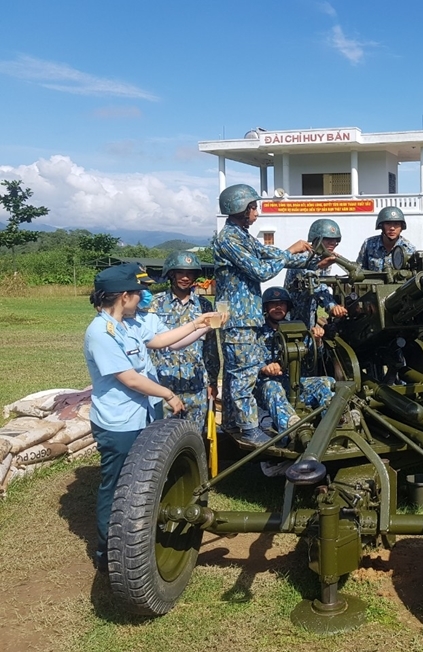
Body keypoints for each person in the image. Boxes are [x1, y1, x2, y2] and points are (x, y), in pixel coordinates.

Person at [85, 264, 221, 571]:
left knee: (142, 481)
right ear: (123, 296)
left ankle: (140, 538)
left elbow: (163, 340)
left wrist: (199, 323)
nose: (142, 297)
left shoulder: (128, 324)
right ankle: (107, 551)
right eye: (137, 293)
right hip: (119, 423)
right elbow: (130, 379)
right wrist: (168, 394)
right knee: (118, 485)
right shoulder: (100, 332)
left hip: (143, 415)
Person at [213, 183, 312, 446]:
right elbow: (260, 270)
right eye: (253, 207)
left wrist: (309, 260)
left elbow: (268, 253)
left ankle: (234, 423)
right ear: (238, 208)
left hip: (246, 319)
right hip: (238, 320)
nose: (257, 212)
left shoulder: (242, 236)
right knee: (243, 375)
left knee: (238, 374)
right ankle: (248, 428)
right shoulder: (228, 239)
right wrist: (290, 252)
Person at [149, 252, 220, 429]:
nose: (185, 278)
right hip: (164, 384)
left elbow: (210, 348)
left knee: (195, 438)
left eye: (190, 273)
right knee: (161, 441)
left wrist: (212, 381)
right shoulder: (155, 304)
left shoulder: (204, 306)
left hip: (195, 385)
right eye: (180, 272)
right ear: (171, 274)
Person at [256, 287, 334, 439]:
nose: (278, 307)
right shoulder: (257, 333)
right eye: (273, 304)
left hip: (296, 384)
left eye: (282, 304)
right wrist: (264, 368)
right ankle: (294, 429)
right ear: (266, 308)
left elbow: (313, 356)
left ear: (288, 307)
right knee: (271, 387)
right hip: (269, 387)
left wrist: (317, 340)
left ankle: (332, 424)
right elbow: (248, 361)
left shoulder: (298, 329)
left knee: (326, 382)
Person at [283, 218, 348, 330]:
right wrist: (331, 306)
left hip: (310, 318)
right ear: (317, 240)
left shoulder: (323, 258)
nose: (333, 244)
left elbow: (321, 285)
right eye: (328, 240)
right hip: (292, 318)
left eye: (335, 241)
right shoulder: (303, 257)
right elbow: (314, 283)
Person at [357, 206, 417, 271]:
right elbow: (359, 269)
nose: (392, 228)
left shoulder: (408, 249)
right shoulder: (369, 244)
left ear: (401, 227)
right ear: (381, 226)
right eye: (388, 224)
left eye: (396, 224)